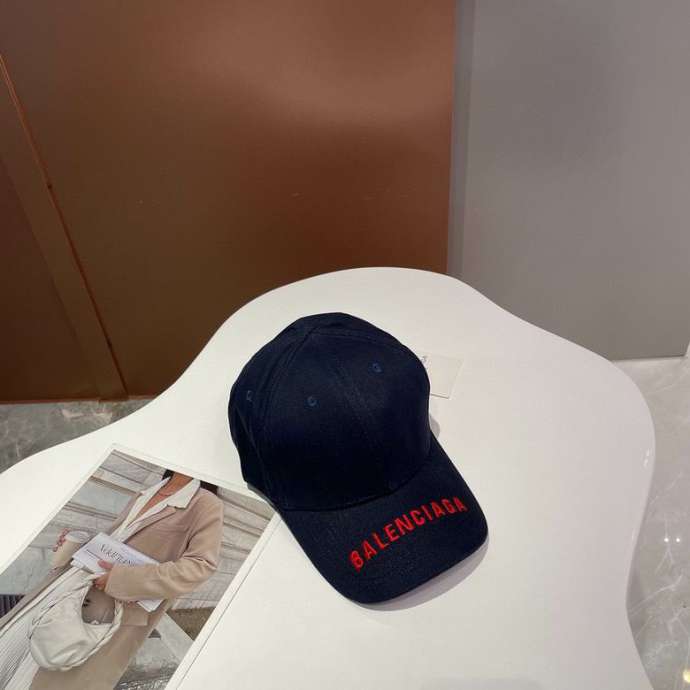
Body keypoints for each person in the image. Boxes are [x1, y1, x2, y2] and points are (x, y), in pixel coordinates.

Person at [0, 470, 224, 690]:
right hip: (72, 585)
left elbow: (200, 567)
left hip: (110, 608)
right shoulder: (149, 491)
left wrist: (122, 580)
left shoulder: (205, 503)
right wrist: (80, 546)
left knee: (50, 671)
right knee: (17, 645)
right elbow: (120, 540)